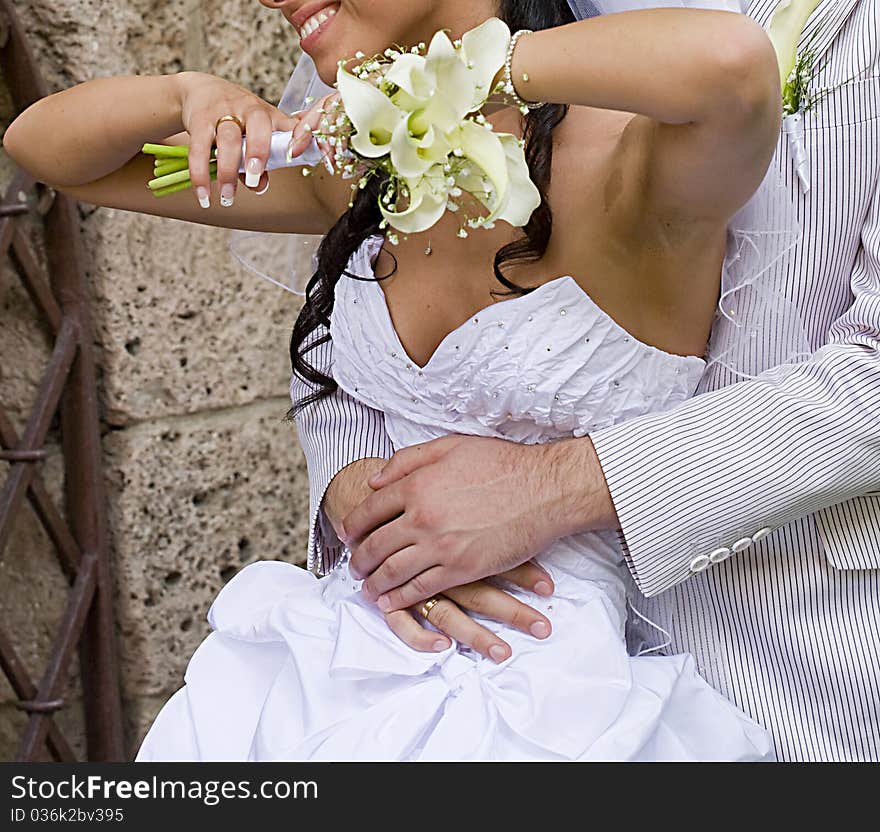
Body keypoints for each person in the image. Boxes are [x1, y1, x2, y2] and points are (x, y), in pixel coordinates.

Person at [3, 1, 784, 760]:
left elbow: (733, 65)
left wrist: (457, 78)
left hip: (555, 698)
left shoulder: (632, 165)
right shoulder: (357, 166)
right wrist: (186, 93)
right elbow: (47, 149)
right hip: (334, 669)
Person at [299, 0, 880, 762]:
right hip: (481, 676)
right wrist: (366, 499)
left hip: (799, 656)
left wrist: (557, 487)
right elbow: (358, 286)